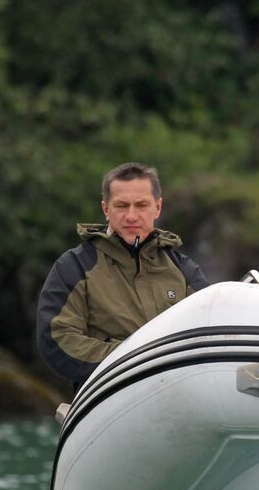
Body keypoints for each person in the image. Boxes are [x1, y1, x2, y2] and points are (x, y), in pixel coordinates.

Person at [36, 162, 208, 394]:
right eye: (121, 206)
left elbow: (207, 332)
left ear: (157, 208)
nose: (131, 216)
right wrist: (133, 359)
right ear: (106, 209)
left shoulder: (183, 269)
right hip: (108, 396)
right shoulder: (74, 266)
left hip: (177, 395)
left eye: (141, 205)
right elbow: (56, 338)